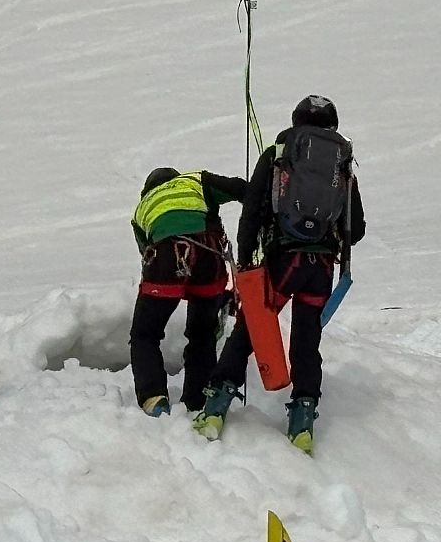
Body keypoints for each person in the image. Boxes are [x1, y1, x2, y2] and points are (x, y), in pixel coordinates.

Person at [193, 95, 365, 452]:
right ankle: (302, 422)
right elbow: (357, 228)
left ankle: (215, 408)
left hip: (281, 261)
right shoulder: (341, 161)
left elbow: (252, 210)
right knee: (306, 340)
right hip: (320, 269)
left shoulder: (279, 152)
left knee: (252, 328)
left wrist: (245, 263)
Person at [129, 166, 248, 416]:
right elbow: (241, 189)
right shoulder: (195, 181)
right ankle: (197, 401)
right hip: (209, 257)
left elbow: (149, 256)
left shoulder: (141, 210)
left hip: (165, 257)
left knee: (145, 335)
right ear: (176, 178)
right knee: (202, 334)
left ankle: (153, 398)